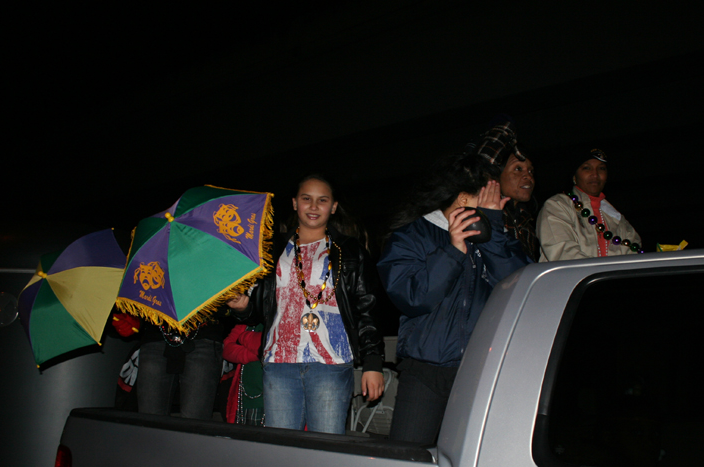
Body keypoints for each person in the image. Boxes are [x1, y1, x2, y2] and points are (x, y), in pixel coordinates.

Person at [377, 153, 529, 445]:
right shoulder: (411, 236)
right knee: (411, 461)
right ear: (462, 198)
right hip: (425, 372)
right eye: (488, 198)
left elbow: (520, 286)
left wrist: (494, 232)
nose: (494, 205)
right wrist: (453, 249)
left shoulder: (493, 236)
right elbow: (413, 298)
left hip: (480, 372)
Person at [228, 175, 385, 434]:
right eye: (306, 199)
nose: (313, 206)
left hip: (331, 363)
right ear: (294, 203)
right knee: (281, 449)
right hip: (280, 361)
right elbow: (260, 309)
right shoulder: (270, 250)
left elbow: (367, 307)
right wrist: (242, 307)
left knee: (325, 448)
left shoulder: (350, 250)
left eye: (322, 200)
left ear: (333, 207)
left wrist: (373, 362)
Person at [537, 148, 643, 261]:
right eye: (587, 168)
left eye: (601, 168)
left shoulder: (617, 219)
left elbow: (634, 258)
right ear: (574, 176)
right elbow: (563, 254)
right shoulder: (557, 206)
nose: (595, 174)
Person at [474, 120, 540, 262]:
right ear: (496, 176)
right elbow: (481, 163)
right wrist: (507, 131)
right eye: (518, 169)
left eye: (531, 171)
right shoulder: (486, 212)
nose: (528, 176)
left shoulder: (526, 221)